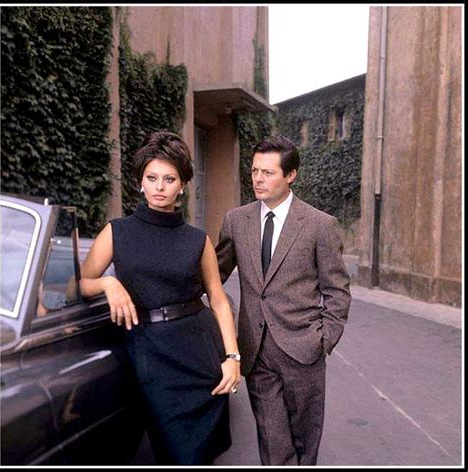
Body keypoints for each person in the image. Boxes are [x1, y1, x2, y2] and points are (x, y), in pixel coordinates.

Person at [79, 131, 241, 465]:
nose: (159, 187)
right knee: (174, 451)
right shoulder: (117, 231)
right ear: (140, 182)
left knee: (199, 454)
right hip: (150, 354)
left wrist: (232, 358)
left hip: (199, 354)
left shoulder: (197, 240)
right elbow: (83, 282)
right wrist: (109, 286)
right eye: (152, 178)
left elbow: (219, 300)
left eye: (169, 179)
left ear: (182, 185)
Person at [215, 135, 351, 465]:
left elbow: (337, 290)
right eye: (254, 171)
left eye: (268, 172)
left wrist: (322, 340)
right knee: (274, 442)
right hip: (256, 349)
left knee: (305, 440)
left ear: (290, 175)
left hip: (303, 350)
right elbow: (213, 273)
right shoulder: (236, 220)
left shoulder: (320, 225)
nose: (258, 179)